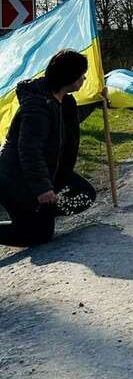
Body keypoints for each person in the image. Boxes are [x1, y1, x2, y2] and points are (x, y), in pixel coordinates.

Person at [0, 50, 104, 246]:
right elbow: (29, 151)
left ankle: (39, 213)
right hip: (14, 178)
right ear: (70, 76)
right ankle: (35, 214)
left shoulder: (63, 100)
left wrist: (99, 99)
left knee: (84, 194)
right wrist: (43, 189)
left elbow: (69, 126)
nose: (84, 78)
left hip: (49, 171)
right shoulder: (37, 108)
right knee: (37, 236)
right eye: (82, 73)